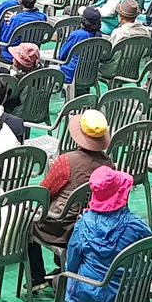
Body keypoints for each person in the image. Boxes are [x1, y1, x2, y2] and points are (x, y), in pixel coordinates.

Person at [52, 166, 152, 302]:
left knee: (60, 281)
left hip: (90, 298)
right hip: (129, 297)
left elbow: (71, 266)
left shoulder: (84, 224)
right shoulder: (136, 225)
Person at [27, 110, 112, 292]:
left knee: (26, 222)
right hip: (92, 227)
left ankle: (36, 276)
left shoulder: (66, 161)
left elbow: (44, 192)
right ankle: (62, 267)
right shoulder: (108, 164)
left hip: (61, 228)